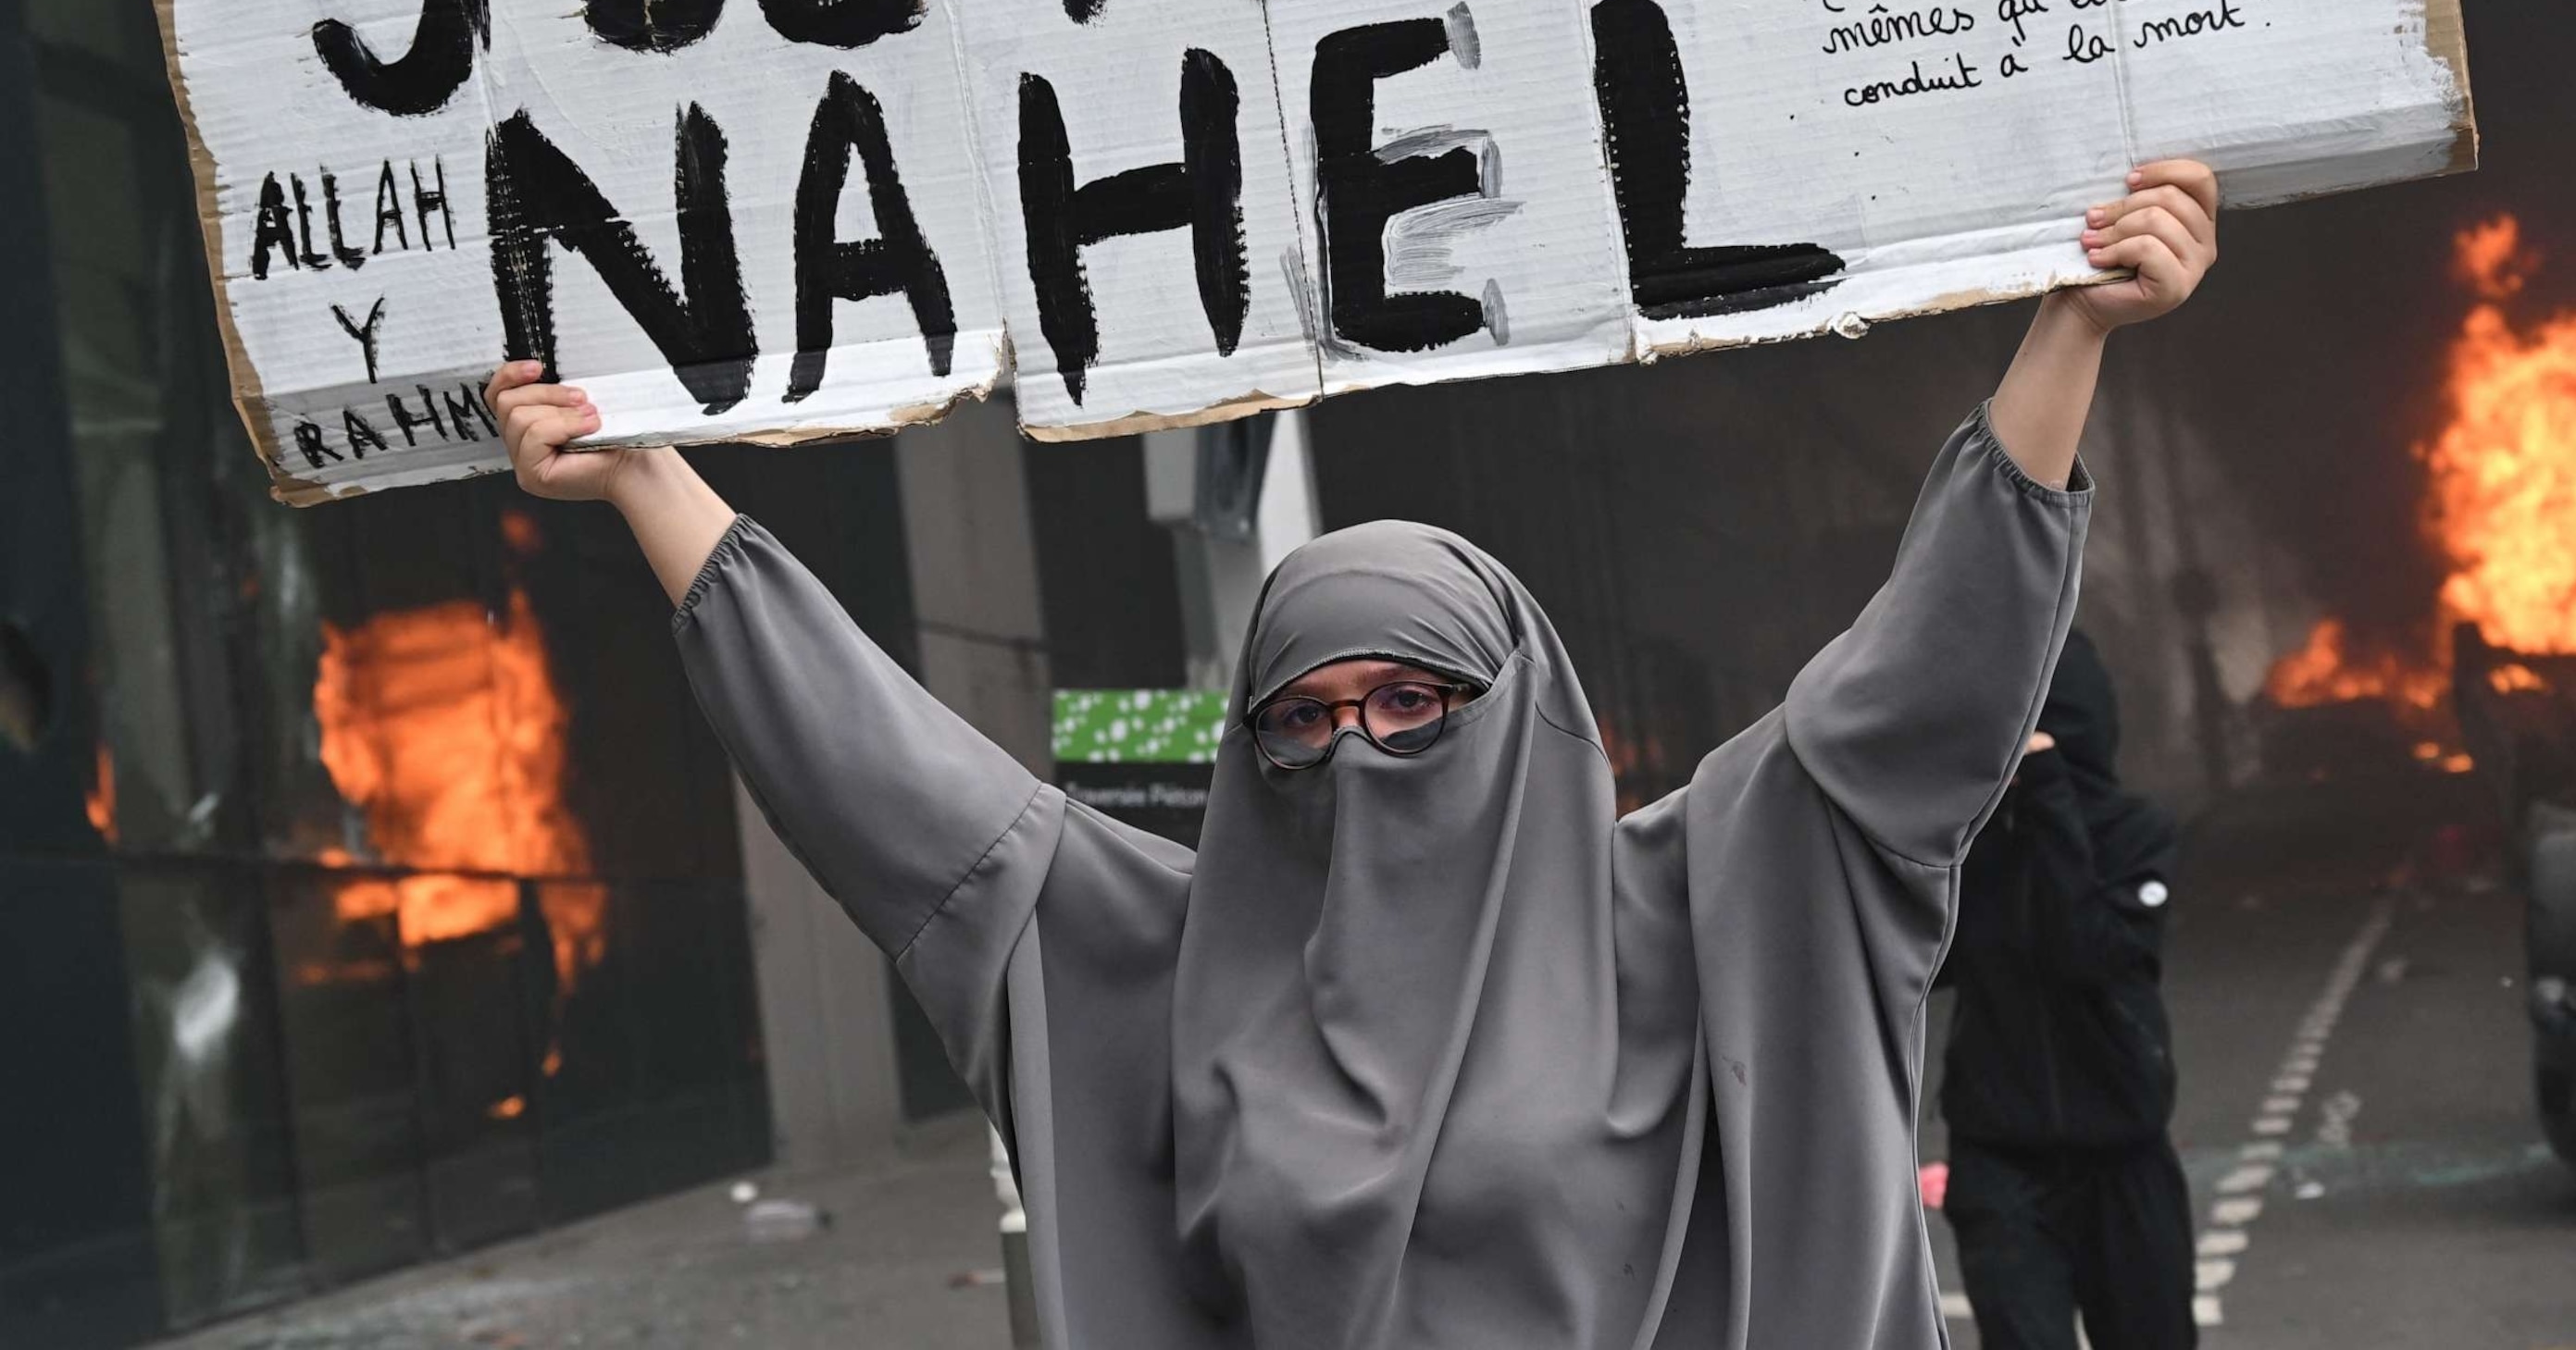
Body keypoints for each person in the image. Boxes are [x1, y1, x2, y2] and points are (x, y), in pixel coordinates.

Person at [487, 161, 2221, 1350]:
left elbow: (1927, 674)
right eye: (1305, 720)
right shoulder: (1171, 954)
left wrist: (2071, 326)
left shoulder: (1714, 885)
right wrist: (646, 476)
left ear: (1521, 709)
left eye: (1413, 705)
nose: (1360, 751)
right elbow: (876, 778)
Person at [1935, 629, 2193, 1350]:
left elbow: (2090, 953)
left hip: (2123, 1156)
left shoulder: (2137, 833)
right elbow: (1926, 964)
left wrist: (2048, 795)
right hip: (2001, 1160)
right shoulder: (1971, 841)